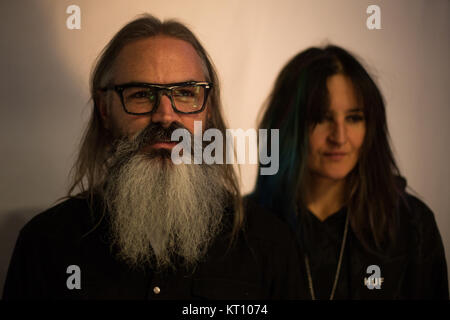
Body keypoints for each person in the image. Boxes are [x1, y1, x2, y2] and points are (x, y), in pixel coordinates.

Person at [3, 14, 305, 300]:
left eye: (186, 93)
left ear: (208, 108)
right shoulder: (47, 244)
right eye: (140, 94)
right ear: (105, 110)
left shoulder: (268, 245)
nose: (164, 115)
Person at [250, 45, 449, 299]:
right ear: (287, 125)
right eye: (322, 118)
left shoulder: (412, 226)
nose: (340, 137)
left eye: (354, 118)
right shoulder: (246, 227)